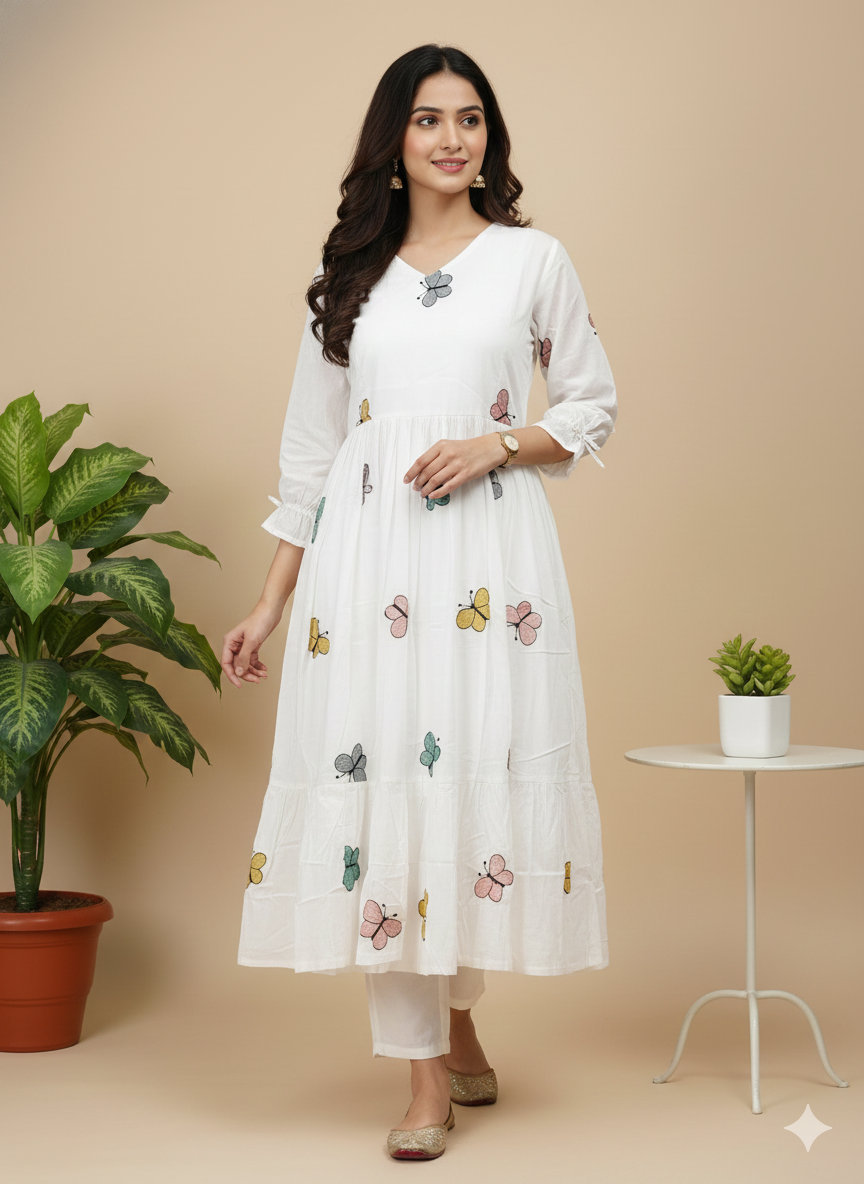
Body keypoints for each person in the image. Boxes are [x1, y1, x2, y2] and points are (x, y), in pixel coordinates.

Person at [223, 43, 618, 1161]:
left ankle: (457, 1010)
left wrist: (494, 444)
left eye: (471, 118)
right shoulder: (351, 276)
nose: (453, 138)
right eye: (429, 119)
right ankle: (424, 1074)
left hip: (490, 560)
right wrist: (269, 603)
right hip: (368, 563)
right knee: (386, 783)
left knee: (469, 780)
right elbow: (310, 455)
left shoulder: (534, 259)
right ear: (393, 142)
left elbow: (590, 406)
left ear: (490, 137)